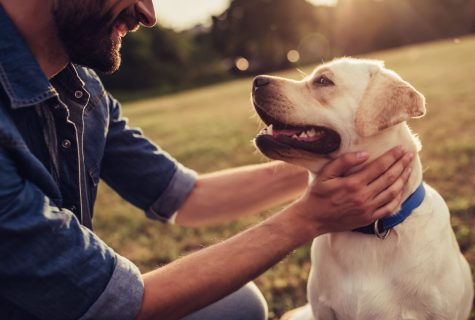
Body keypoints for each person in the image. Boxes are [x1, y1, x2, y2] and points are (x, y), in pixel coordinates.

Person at [0, 1, 414, 319]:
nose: (148, 14)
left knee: (238, 307)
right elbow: (112, 305)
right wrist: (309, 218)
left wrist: (336, 161)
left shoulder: (82, 90)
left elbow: (188, 196)